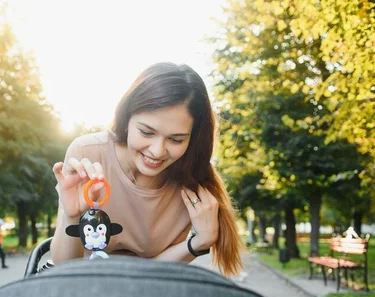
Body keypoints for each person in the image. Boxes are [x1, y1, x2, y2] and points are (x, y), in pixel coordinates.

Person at [51, 62, 243, 276]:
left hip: (150, 291)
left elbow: (155, 272)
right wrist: (71, 215)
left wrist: (199, 242)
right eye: (146, 132)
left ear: (193, 138)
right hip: (84, 287)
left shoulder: (190, 183)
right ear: (127, 119)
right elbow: (64, 267)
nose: (158, 151)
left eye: (176, 139)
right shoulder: (87, 154)